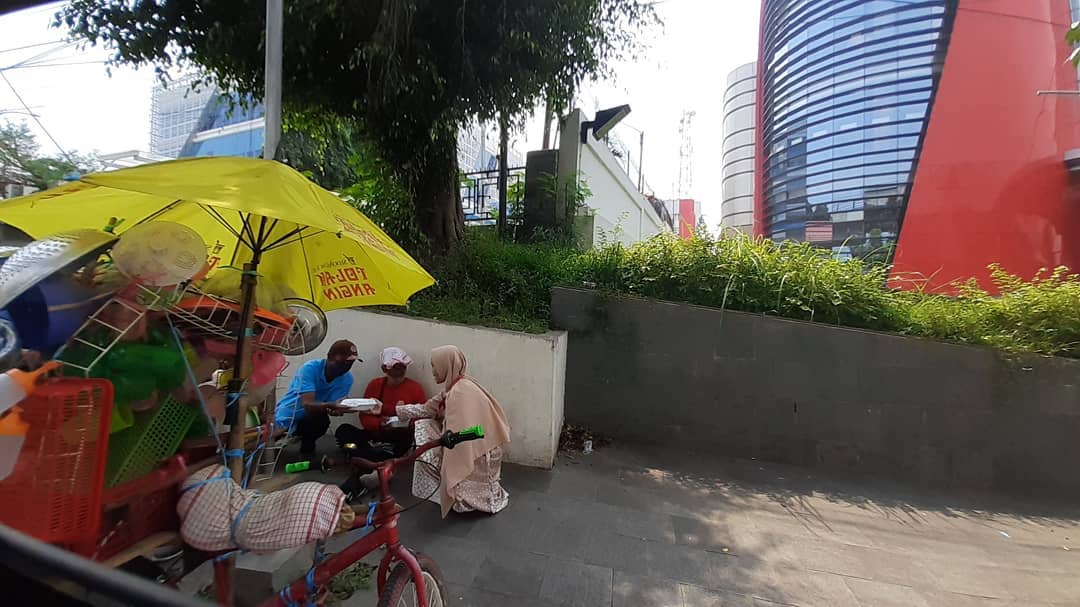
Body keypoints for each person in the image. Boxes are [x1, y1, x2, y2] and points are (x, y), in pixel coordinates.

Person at [371, 345, 511, 517]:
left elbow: (465, 436)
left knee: (426, 432)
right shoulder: (455, 387)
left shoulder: (460, 393)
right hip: (472, 445)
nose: (433, 371)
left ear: (446, 365)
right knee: (424, 425)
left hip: (479, 452)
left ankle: (459, 494)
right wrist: (384, 408)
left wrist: (449, 464)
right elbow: (425, 409)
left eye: (435, 365)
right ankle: (455, 491)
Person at [334, 346, 426, 459]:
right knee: (344, 430)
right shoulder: (375, 385)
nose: (399, 372)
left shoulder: (415, 388)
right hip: (376, 434)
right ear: (384, 369)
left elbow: (423, 416)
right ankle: (377, 455)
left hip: (399, 436)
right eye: (395, 369)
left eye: (402, 368)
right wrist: (379, 423)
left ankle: (370, 455)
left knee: (404, 440)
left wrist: (406, 422)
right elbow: (364, 415)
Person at [274, 340, 359, 459]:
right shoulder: (310, 368)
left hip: (310, 417)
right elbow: (307, 404)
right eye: (343, 362)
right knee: (263, 445)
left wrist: (340, 409)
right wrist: (332, 405)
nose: (347, 367)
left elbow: (332, 406)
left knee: (321, 421)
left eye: (351, 363)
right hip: (288, 415)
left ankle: (307, 449)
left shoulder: (347, 379)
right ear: (330, 357)